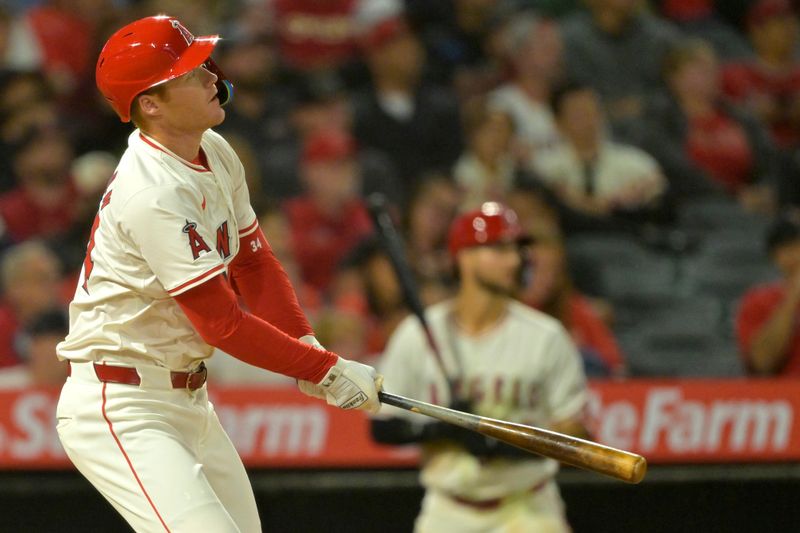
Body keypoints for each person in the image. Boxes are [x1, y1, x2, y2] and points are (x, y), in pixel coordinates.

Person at [54, 16, 383, 533]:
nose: (211, 76)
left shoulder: (214, 149)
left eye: (203, 64)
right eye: (189, 72)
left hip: (187, 397)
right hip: (122, 401)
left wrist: (306, 348)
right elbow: (223, 324)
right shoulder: (153, 191)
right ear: (151, 104)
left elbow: (253, 261)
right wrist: (324, 368)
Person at [371, 202, 588, 532]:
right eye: (499, 249)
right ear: (465, 256)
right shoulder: (418, 335)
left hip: (527, 505)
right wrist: (441, 429)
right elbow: (383, 427)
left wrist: (502, 443)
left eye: (516, 250)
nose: (514, 260)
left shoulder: (545, 336)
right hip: (449, 509)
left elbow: (575, 433)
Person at [736, 209, 800, 376]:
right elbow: (761, 363)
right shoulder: (758, 301)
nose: (797, 254)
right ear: (775, 256)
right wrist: (792, 297)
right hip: (785, 397)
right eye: (789, 248)